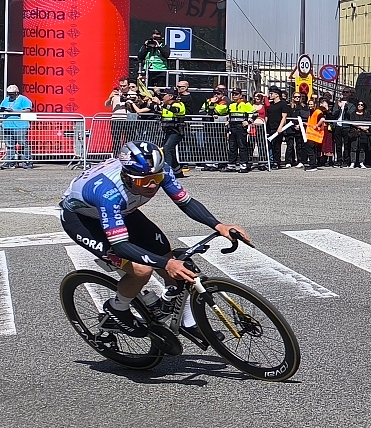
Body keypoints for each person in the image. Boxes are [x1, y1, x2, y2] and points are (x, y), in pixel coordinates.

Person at [59, 141, 250, 339]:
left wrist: (219, 225)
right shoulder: (108, 194)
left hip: (124, 212)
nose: (152, 185)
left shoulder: (159, 170)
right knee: (141, 271)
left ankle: (189, 323)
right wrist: (167, 264)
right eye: (144, 182)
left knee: (173, 262)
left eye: (156, 179)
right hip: (83, 221)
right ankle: (118, 308)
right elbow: (121, 246)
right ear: (126, 176)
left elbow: (186, 203)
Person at [0, 84, 34, 169]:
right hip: (7, 125)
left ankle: (27, 161)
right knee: (10, 145)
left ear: (16, 93)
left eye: (12, 94)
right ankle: (9, 162)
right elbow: (2, 107)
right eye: (9, 93)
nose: (10, 95)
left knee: (23, 144)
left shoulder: (24, 99)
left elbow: (28, 110)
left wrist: (14, 111)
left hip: (20, 125)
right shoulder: (6, 100)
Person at [157, 89, 187, 174]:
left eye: (164, 95)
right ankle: (177, 171)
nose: (163, 97)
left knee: (167, 149)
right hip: (168, 131)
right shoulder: (165, 105)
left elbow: (175, 110)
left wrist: (161, 104)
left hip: (176, 131)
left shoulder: (179, 104)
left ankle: (167, 171)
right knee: (170, 150)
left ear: (170, 96)